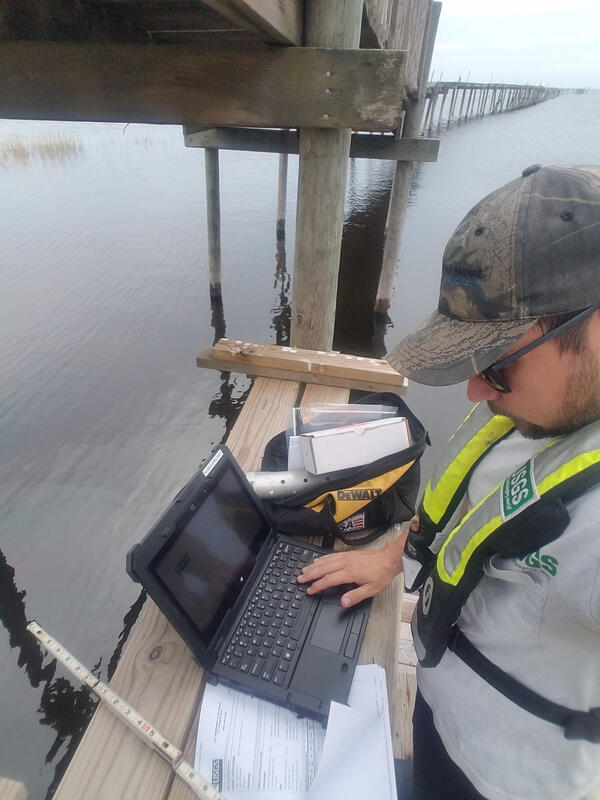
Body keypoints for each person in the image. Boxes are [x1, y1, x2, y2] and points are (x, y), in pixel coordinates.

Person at [297, 165, 600, 800]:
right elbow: (476, 512)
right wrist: (393, 558)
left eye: (496, 362)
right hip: (441, 724)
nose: (473, 388)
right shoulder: (553, 408)